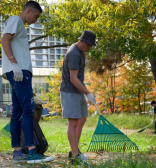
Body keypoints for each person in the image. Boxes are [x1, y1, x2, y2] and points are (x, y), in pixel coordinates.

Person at [1, 1, 52, 164]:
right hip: (19, 71)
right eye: (36, 16)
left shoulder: (19, 25)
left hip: (18, 71)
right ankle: (31, 150)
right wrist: (14, 63)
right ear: (28, 10)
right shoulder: (16, 20)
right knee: (29, 109)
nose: (36, 20)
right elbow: (5, 40)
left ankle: (18, 151)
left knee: (17, 111)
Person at [60, 30, 96, 164]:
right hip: (70, 91)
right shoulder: (74, 54)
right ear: (82, 41)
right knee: (73, 122)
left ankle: (75, 150)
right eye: (89, 45)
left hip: (78, 91)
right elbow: (73, 79)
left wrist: (85, 92)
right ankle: (75, 156)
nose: (90, 47)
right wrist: (88, 93)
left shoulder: (81, 51)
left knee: (82, 119)